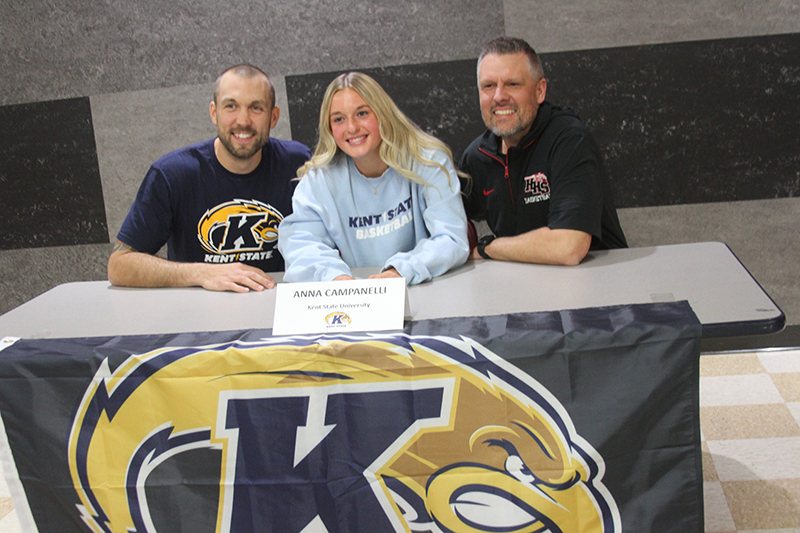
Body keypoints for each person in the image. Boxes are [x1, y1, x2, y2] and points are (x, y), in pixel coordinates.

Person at [108, 64, 311, 292]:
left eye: (256, 108)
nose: (243, 121)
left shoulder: (299, 164)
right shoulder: (172, 174)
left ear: (273, 117)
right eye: (231, 106)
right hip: (199, 317)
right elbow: (119, 265)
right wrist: (203, 272)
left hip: (277, 310)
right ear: (214, 113)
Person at [277, 72, 469, 285]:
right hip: (358, 298)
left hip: (424, 287)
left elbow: (451, 239)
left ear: (382, 114)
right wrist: (335, 278)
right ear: (329, 128)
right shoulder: (319, 180)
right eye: (339, 119)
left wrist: (400, 271)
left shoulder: (428, 162)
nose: (351, 127)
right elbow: (300, 244)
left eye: (362, 113)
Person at [460, 37, 627, 266]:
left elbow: (568, 247)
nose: (499, 96)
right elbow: (444, 224)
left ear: (540, 91)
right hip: (524, 287)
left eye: (512, 84)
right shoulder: (477, 157)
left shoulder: (569, 140)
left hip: (597, 287)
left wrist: (489, 247)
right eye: (489, 86)